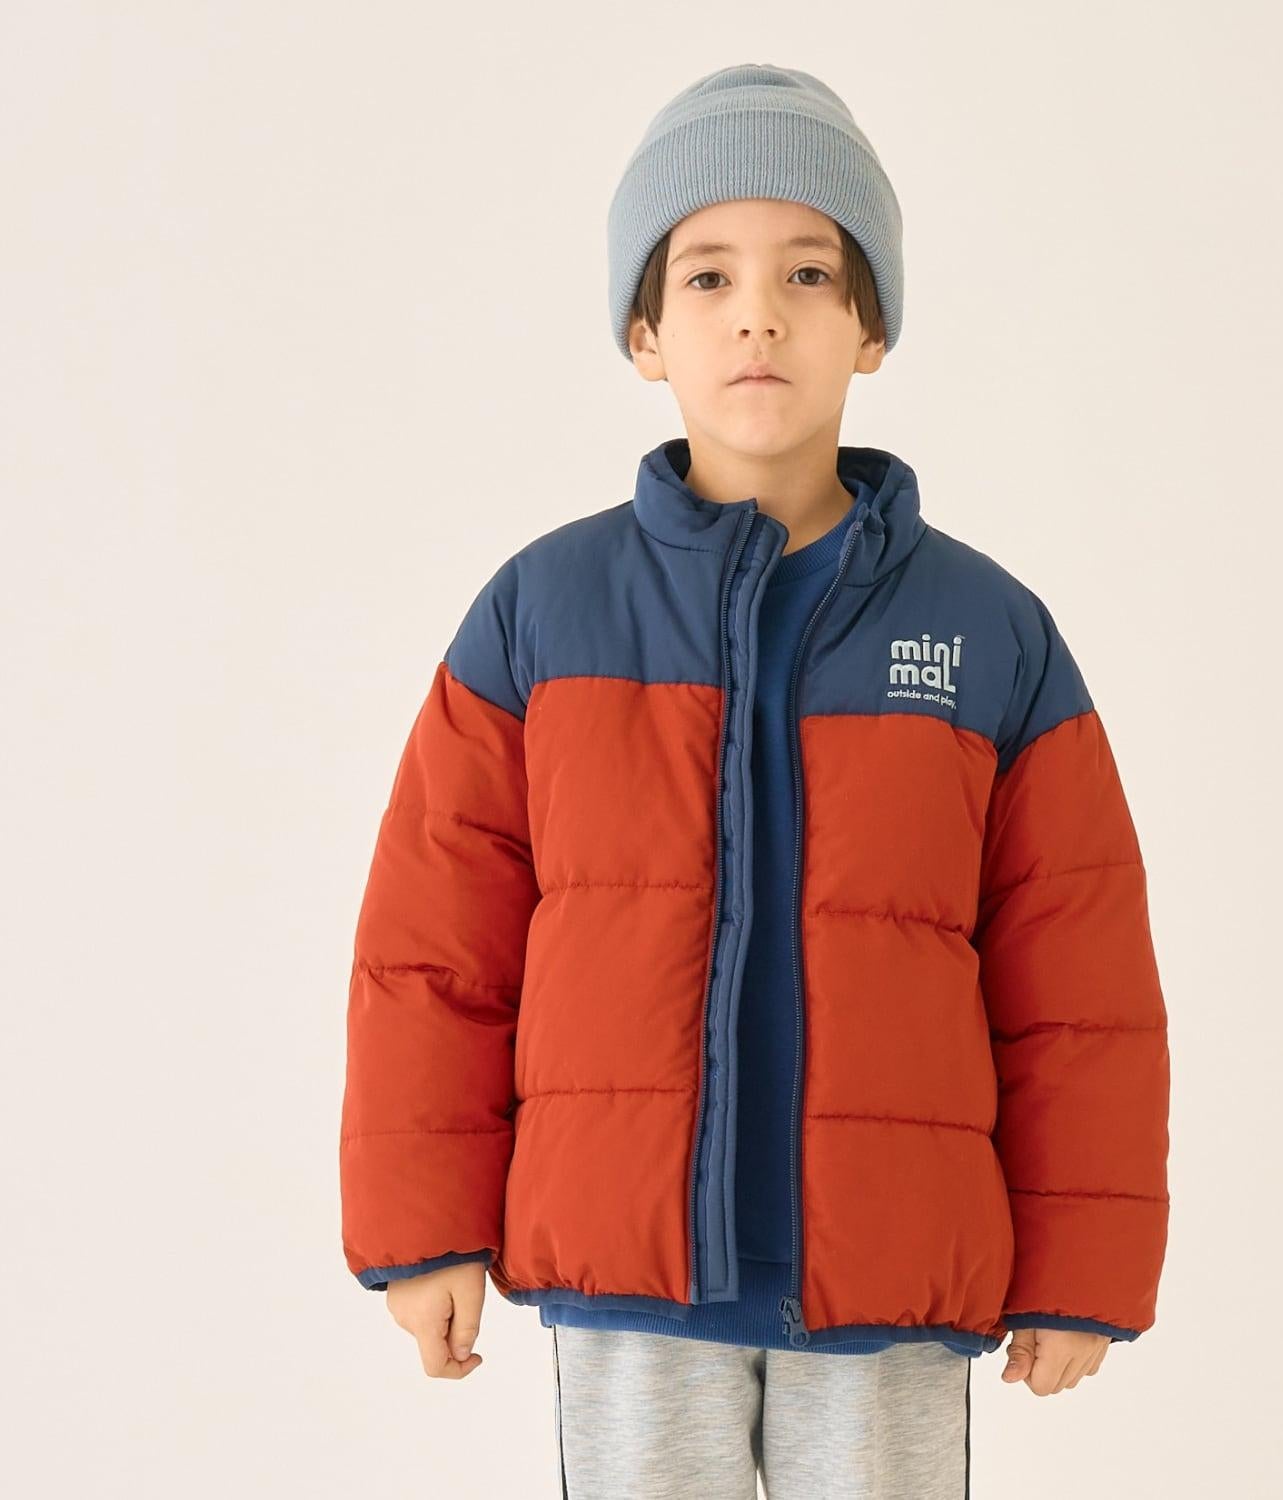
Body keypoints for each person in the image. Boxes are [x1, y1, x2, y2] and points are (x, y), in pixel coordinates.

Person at [339, 62, 1171, 1499]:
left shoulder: (989, 633)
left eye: (808, 273)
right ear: (645, 332)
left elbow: (1077, 979)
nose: (759, 315)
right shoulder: (544, 616)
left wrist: (1082, 1263)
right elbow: (434, 950)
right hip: (630, 1268)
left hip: (891, 1270)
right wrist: (426, 1227)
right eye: (709, 276)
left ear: (871, 327)